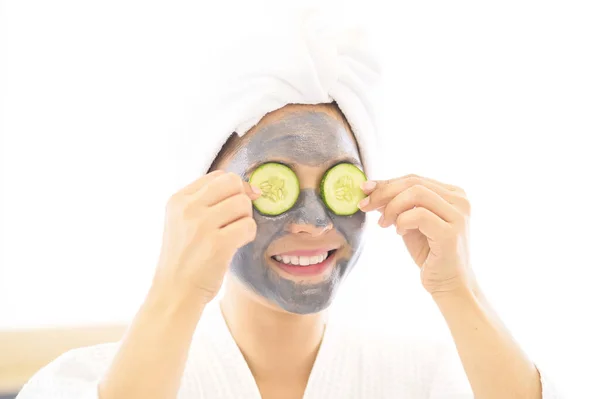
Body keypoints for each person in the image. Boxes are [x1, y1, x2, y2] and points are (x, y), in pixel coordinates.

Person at [16, 7, 562, 399]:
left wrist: (457, 288)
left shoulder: (429, 376)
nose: (313, 222)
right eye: (274, 187)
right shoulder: (85, 380)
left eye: (338, 183)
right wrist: (175, 290)